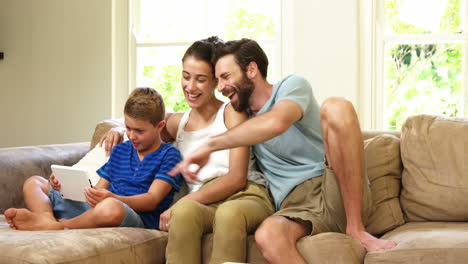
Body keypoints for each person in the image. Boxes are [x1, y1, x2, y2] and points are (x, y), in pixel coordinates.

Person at [169, 38, 398, 263]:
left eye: (226, 77)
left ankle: (356, 228)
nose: (220, 88)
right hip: (294, 206)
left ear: (251, 70)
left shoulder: (291, 86)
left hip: (331, 188)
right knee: (267, 235)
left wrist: (210, 145)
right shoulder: (242, 118)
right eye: (217, 80)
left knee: (337, 106)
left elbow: (277, 122)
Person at [100, 37, 274, 264]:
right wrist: (118, 131)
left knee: (225, 213)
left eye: (200, 79)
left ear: (215, 81)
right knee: (182, 214)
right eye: (186, 76)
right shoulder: (176, 123)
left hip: (246, 195)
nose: (190, 87)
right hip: (205, 203)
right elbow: (144, 129)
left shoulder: (231, 113)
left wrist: (184, 202)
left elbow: (236, 178)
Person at [4, 87, 183, 231]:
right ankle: (45, 218)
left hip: (135, 216)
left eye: (139, 131)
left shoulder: (170, 156)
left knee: (111, 207)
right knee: (34, 182)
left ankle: (60, 225)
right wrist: (65, 187)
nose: (132, 135)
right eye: (128, 128)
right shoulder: (121, 150)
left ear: (160, 126)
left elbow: (152, 200)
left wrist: (113, 197)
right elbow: (98, 189)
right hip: (98, 209)